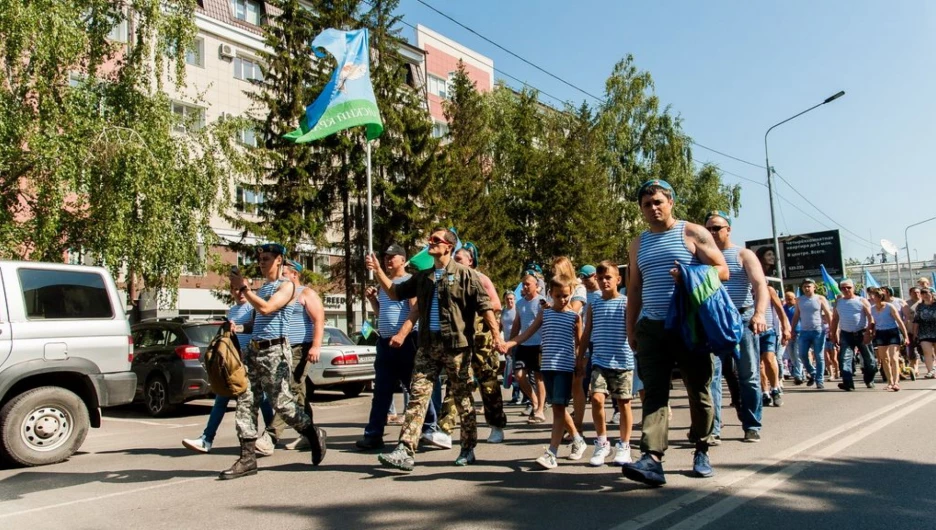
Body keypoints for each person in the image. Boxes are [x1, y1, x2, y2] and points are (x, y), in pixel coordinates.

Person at [621, 179, 729, 487]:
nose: (653, 208)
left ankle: (702, 446)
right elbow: (635, 288)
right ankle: (652, 459)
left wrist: (690, 274)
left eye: (658, 202)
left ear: (671, 202)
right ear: (641, 209)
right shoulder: (638, 243)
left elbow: (722, 271)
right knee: (654, 392)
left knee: (700, 391)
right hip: (652, 327)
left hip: (690, 324)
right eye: (647, 204)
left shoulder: (692, 232)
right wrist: (631, 328)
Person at [365, 227, 501, 471]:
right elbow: (395, 293)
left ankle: (468, 448)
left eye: (436, 240)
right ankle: (405, 449)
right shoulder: (423, 277)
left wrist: (496, 339)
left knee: (462, 398)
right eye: (430, 239)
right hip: (428, 346)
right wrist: (377, 272)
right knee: (417, 395)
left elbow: (486, 307)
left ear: (449, 246)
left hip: (456, 346)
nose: (431, 242)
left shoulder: (467, 276)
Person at [222, 243, 326, 480]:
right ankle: (247, 458)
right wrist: (236, 326)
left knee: (283, 404)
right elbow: (256, 321)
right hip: (254, 351)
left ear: (279, 260)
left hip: (275, 352)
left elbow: (268, 309)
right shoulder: (263, 288)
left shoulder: (286, 286)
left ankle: (312, 432)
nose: (262, 262)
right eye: (260, 259)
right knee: (245, 399)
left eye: (267, 258)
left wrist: (245, 289)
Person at [357, 244, 449, 451]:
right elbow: (382, 314)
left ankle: (429, 429)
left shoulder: (409, 282)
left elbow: (415, 310)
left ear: (402, 259)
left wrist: (401, 334)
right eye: (386, 257)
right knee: (381, 390)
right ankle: (373, 434)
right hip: (386, 343)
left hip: (407, 341)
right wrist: (373, 300)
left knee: (416, 388)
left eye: (392, 257)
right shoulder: (384, 285)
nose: (388, 260)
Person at [503, 276, 587, 469]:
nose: (563, 299)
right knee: (558, 408)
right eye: (558, 296)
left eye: (566, 296)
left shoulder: (574, 317)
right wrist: (510, 343)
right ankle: (577, 439)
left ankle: (552, 453)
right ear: (550, 294)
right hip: (547, 366)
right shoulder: (545, 313)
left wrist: (580, 364)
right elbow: (528, 332)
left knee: (558, 409)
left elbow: (579, 344)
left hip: (565, 368)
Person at [182, 285, 275, 454]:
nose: (239, 293)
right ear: (231, 291)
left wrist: (237, 329)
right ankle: (207, 439)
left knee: (261, 399)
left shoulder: (254, 307)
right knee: (222, 397)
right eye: (235, 289)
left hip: (250, 360)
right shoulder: (232, 310)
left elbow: (254, 326)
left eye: (242, 289)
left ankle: (271, 435)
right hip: (234, 361)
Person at [703, 211, 768, 443]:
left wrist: (759, 314)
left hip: (742, 319)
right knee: (712, 378)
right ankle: (714, 429)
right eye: (709, 228)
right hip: (714, 323)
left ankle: (752, 425)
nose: (712, 232)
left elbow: (760, 286)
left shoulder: (743, 254)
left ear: (728, 229)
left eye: (717, 228)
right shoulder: (703, 256)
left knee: (748, 376)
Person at [448, 243, 508, 444]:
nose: (455, 263)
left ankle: (496, 426)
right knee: (455, 383)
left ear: (470, 261)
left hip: (482, 341)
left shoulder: (481, 279)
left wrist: (478, 307)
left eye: (459, 259)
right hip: (461, 339)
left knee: (488, 384)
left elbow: (497, 304)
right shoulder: (450, 280)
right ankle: (444, 429)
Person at [580, 261, 635, 466]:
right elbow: (587, 333)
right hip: (600, 360)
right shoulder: (594, 304)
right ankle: (602, 442)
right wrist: (580, 358)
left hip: (622, 361)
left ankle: (624, 445)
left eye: (608, 277)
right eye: (601, 278)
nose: (604, 281)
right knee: (596, 398)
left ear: (617, 280)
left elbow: (632, 331)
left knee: (623, 403)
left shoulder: (626, 302)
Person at [272, 259, 326, 450]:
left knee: (289, 389)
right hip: (282, 349)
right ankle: (310, 434)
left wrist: (316, 346)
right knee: (300, 394)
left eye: (284, 274)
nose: (280, 277)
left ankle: (270, 436)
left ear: (294, 274)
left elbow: (319, 319)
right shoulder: (280, 294)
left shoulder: (306, 293)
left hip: (300, 348)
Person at [511, 274, 547, 424]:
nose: (525, 287)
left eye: (528, 284)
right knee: (519, 375)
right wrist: (510, 343)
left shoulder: (542, 302)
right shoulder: (519, 303)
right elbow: (517, 324)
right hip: (523, 345)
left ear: (536, 285)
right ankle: (535, 402)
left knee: (539, 378)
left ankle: (540, 410)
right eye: (523, 284)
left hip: (539, 345)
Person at [829, 278, 877, 390]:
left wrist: (869, 331)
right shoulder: (839, 302)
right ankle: (848, 383)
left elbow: (871, 318)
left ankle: (869, 379)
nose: (846, 290)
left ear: (853, 288)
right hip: (846, 334)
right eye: (843, 288)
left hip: (862, 333)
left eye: (848, 287)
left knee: (870, 361)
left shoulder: (861, 300)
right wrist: (833, 334)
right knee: (845, 359)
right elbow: (835, 319)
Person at [791, 279, 833, 389]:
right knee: (802, 354)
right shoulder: (799, 300)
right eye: (804, 286)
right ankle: (812, 372)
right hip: (804, 331)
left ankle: (819, 380)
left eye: (809, 286)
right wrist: (792, 329)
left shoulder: (820, 298)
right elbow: (796, 316)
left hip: (818, 330)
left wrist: (832, 329)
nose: (806, 288)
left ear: (814, 287)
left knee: (819, 356)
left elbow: (828, 314)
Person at [868, 287, 910, 391]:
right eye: (872, 296)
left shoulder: (890, 307)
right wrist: (871, 330)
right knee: (884, 359)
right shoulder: (872, 308)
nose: (872, 298)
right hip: (880, 333)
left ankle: (896, 382)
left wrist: (906, 336)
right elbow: (873, 322)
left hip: (892, 331)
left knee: (893, 358)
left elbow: (899, 321)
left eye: (875, 296)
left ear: (880, 297)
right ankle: (890, 381)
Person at [501, 291, 523, 404]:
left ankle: (519, 396)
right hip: (506, 344)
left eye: (511, 299)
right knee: (510, 370)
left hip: (516, 343)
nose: (509, 301)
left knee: (517, 370)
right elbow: (500, 326)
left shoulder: (517, 310)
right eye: (507, 299)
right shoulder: (503, 311)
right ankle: (516, 396)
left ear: (514, 300)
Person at [912, 287, 936, 379]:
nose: (925, 295)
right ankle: (930, 371)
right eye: (923, 293)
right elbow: (916, 320)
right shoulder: (920, 307)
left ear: (932, 294)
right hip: (924, 332)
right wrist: (915, 333)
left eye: (927, 293)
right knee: (927, 352)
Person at [782, 291, 803, 383]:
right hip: (788, 334)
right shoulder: (783, 308)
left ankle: (798, 375)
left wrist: (795, 331)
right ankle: (801, 374)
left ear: (795, 299)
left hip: (799, 333)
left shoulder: (798, 308)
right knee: (792, 356)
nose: (788, 301)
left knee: (797, 354)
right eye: (787, 299)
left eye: (790, 299)